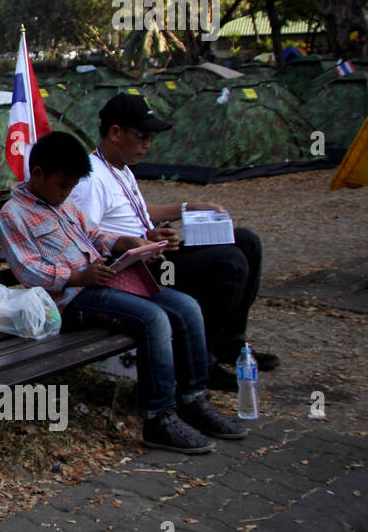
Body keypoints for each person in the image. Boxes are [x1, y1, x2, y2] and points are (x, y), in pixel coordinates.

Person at [0, 131, 247, 454]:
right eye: (62, 185)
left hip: (104, 281)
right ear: (39, 174)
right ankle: (158, 418)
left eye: (72, 187)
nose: (66, 193)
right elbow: (28, 270)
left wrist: (128, 243)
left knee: (186, 306)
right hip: (71, 301)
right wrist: (78, 276)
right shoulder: (13, 214)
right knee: (154, 319)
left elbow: (95, 234)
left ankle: (192, 399)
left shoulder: (64, 204)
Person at [67, 94, 269, 391]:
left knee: (247, 242)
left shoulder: (120, 168)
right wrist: (139, 244)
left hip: (153, 252)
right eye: (143, 135)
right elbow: (85, 238)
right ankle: (204, 360)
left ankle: (231, 344)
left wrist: (182, 212)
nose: (149, 143)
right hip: (134, 270)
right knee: (230, 262)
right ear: (115, 133)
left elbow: (136, 213)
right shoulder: (91, 178)